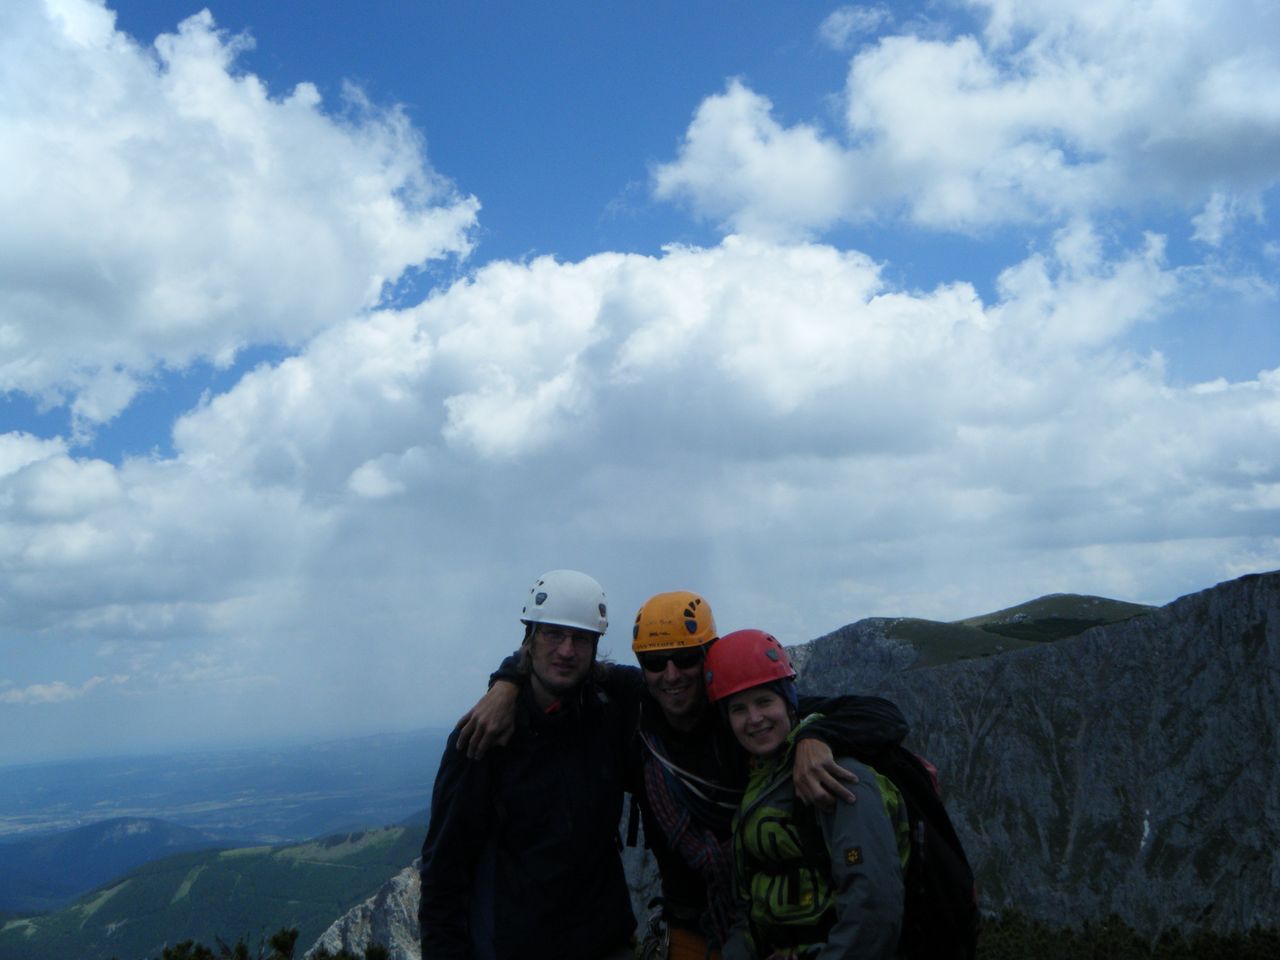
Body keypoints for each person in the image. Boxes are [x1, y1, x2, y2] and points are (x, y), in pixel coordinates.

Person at [459, 591, 896, 960]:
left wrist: (815, 735)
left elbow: (883, 715)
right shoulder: (636, 703)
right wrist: (506, 684)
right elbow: (563, 664)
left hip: (774, 924)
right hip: (690, 926)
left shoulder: (738, 711)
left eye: (685, 658)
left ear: (708, 656)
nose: (670, 675)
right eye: (654, 662)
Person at [417, 570, 637, 960]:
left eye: (580, 638)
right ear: (529, 641)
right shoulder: (484, 737)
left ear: (595, 646)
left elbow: (671, 682)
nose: (566, 650)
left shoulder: (608, 711)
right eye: (553, 634)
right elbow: (443, 874)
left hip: (606, 944)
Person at [705, 629, 909, 960]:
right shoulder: (757, 781)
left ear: (789, 702)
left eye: (765, 701)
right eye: (738, 709)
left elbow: (872, 907)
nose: (754, 719)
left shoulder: (836, 775)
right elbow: (748, 909)